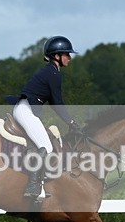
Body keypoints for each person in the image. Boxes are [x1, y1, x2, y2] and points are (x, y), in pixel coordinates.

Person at [7, 36, 82, 200]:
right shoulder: (53, 74)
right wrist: (71, 122)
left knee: (44, 143)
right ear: (57, 56)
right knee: (46, 147)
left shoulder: (51, 71)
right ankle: (33, 185)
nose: (69, 58)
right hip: (25, 110)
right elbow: (57, 102)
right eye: (66, 54)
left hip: (25, 109)